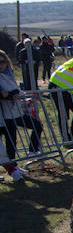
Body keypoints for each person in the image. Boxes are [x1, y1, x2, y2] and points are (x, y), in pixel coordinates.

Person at [0, 50, 41, 181]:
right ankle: (12, 168)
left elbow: (14, 90)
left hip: (16, 111)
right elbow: (4, 94)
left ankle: (31, 152)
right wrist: (10, 95)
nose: (1, 65)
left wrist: (25, 94)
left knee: (36, 125)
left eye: (2, 62)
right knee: (10, 141)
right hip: (5, 114)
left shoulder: (9, 73)